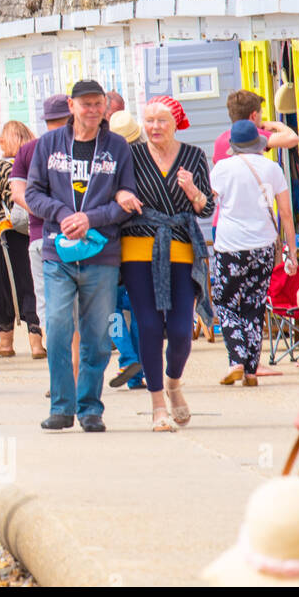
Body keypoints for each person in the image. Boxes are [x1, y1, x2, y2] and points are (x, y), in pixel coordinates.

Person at [26, 78, 137, 434]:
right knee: (58, 330)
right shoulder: (48, 145)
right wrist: (62, 214)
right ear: (71, 107)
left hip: (102, 254)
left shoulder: (118, 147)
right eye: (84, 104)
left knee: (97, 337)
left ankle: (91, 408)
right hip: (58, 253)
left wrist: (91, 218)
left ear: (106, 106)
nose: (92, 110)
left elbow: (127, 201)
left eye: (97, 103)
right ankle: (61, 406)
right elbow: (33, 193)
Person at [117, 95, 215, 432]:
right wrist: (121, 196)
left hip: (180, 249)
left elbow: (206, 209)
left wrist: (192, 191)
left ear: (177, 122)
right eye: (149, 120)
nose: (154, 127)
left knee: (180, 330)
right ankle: (157, 403)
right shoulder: (131, 156)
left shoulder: (194, 156)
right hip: (138, 248)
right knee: (147, 325)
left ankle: (174, 383)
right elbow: (116, 190)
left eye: (161, 120)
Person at [210, 119, 297, 388]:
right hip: (263, 245)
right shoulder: (272, 168)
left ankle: (236, 359)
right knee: (254, 304)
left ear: (233, 145)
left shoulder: (222, 168)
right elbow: (285, 213)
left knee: (226, 303)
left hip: (230, 245)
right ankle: (250, 370)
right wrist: (291, 252)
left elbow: (208, 204)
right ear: (258, 144)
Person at [10, 93, 71, 359]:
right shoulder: (79, 143)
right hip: (80, 234)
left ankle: (60, 364)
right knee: (78, 304)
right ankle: (75, 363)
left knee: (46, 302)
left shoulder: (28, 149)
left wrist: (43, 212)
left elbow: (16, 193)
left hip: (39, 236)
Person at [0, 120, 43, 357]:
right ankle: (37, 345)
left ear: (12, 139)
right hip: (31, 235)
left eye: (3, 137)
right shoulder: (35, 165)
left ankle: (6, 344)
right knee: (31, 288)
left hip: (2, 238)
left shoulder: (0, 169)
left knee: (1, 290)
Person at [104, 109, 147, 390]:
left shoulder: (106, 165)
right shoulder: (149, 165)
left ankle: (127, 357)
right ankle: (138, 370)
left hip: (109, 243)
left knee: (109, 308)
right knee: (142, 309)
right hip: (140, 244)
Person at [212, 89, 299, 165]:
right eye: (260, 114)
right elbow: (292, 139)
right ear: (253, 116)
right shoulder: (254, 134)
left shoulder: (219, 141)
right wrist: (277, 125)